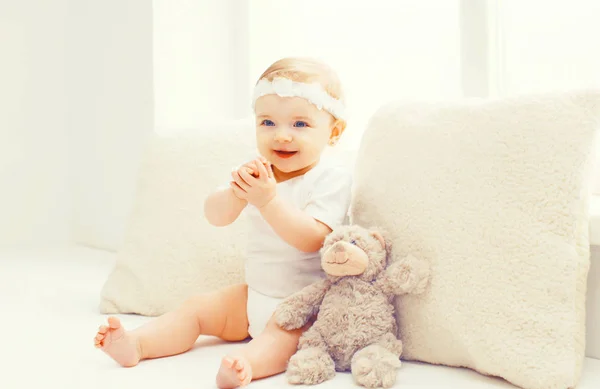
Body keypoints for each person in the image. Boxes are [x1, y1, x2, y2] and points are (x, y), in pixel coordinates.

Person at [93, 57, 353, 388]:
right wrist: (237, 193)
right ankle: (138, 344)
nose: (282, 136)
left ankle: (244, 367)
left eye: (300, 125)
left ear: (334, 132)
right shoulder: (259, 174)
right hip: (252, 296)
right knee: (197, 309)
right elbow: (215, 215)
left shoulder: (329, 179)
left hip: (302, 306)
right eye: (268, 122)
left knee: (281, 340)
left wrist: (269, 201)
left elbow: (313, 238)